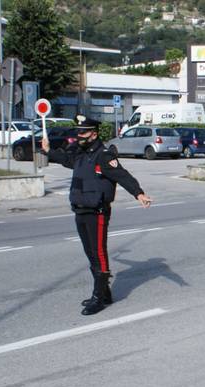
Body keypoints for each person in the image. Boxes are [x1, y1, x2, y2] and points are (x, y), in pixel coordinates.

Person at [41, 115, 152, 315]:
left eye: (83, 132)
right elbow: (65, 159)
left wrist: (139, 193)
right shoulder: (80, 153)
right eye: (78, 131)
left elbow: (122, 175)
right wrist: (48, 151)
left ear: (94, 133)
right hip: (80, 208)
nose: (79, 135)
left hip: (97, 211)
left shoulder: (104, 155)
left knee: (99, 252)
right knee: (90, 253)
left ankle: (98, 298)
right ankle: (105, 292)